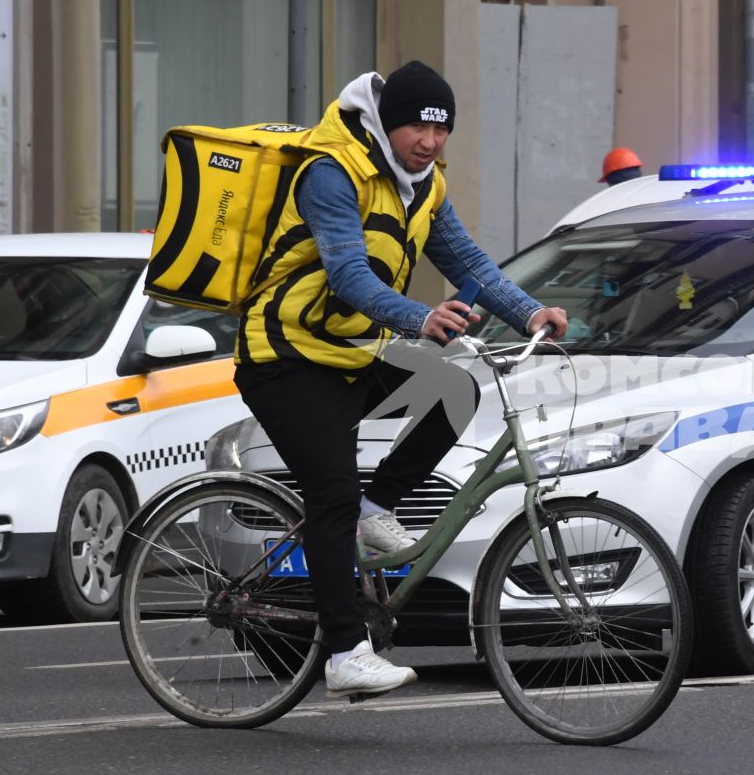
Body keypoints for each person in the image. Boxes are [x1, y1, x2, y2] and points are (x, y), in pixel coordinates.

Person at [234, 62, 568, 700]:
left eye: (442, 130)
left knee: (454, 388)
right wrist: (423, 317)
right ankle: (343, 653)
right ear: (389, 123)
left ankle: (377, 508)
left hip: (353, 350)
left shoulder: (425, 184)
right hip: (284, 355)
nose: (430, 140)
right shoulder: (332, 171)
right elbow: (348, 277)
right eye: (417, 125)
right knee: (329, 494)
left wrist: (531, 311)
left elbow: (467, 259)